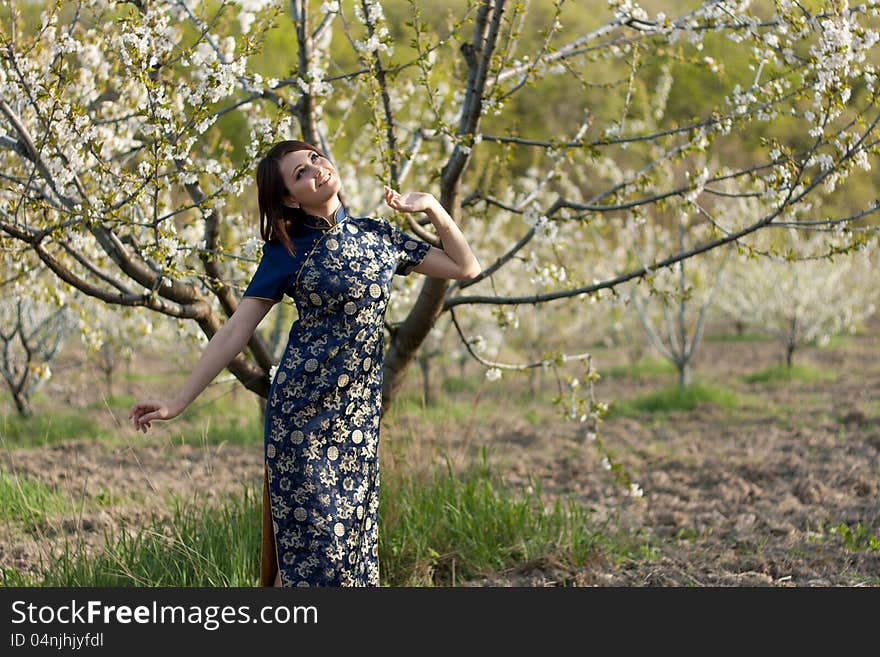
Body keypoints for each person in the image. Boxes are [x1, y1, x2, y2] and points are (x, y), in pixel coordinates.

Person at [128, 139, 481, 587]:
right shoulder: (287, 250)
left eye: (315, 159)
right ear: (289, 199)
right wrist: (177, 403)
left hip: (357, 419)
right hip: (302, 418)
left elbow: (464, 266)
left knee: (345, 557)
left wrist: (431, 206)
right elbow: (236, 332)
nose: (317, 169)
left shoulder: (378, 235)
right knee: (316, 556)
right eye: (300, 173)